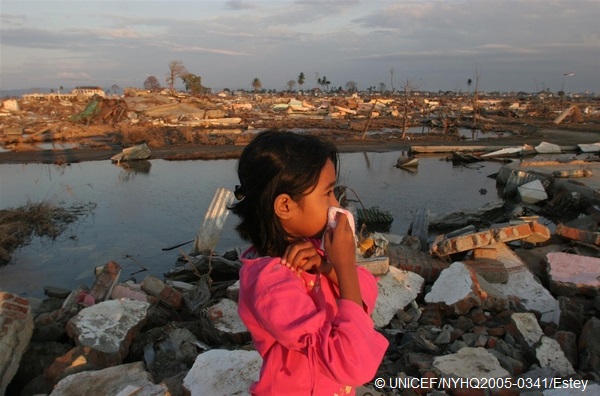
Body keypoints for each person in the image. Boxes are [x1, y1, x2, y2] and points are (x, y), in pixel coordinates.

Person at [231, 130, 389, 395]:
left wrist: (329, 268)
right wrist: (345, 265)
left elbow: (368, 296)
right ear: (285, 206)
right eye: (327, 194)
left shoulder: (310, 251)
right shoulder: (272, 285)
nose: (336, 204)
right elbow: (352, 365)